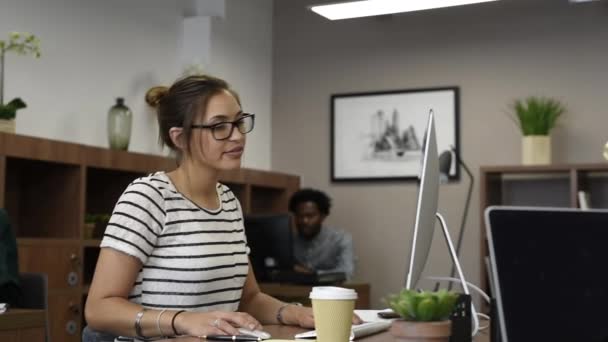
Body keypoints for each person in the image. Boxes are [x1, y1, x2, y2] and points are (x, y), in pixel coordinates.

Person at [84, 75, 330, 341]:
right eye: (219, 126)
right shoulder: (148, 197)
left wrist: (295, 313)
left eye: (238, 122)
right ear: (180, 138)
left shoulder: (229, 202)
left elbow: (247, 299)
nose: (236, 135)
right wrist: (183, 321)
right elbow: (99, 309)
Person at [288, 188, 355, 280]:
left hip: (330, 292)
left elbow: (347, 272)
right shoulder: (288, 241)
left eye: (310, 216)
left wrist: (312, 274)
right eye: (300, 216)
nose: (304, 221)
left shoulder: (340, 239)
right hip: (292, 292)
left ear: (323, 216)